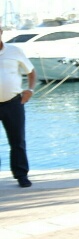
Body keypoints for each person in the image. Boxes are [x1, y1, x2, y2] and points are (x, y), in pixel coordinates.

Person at [0, 25, 37, 188]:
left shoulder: (14, 51)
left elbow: (31, 71)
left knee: (17, 141)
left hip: (13, 103)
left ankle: (21, 175)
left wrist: (30, 89)